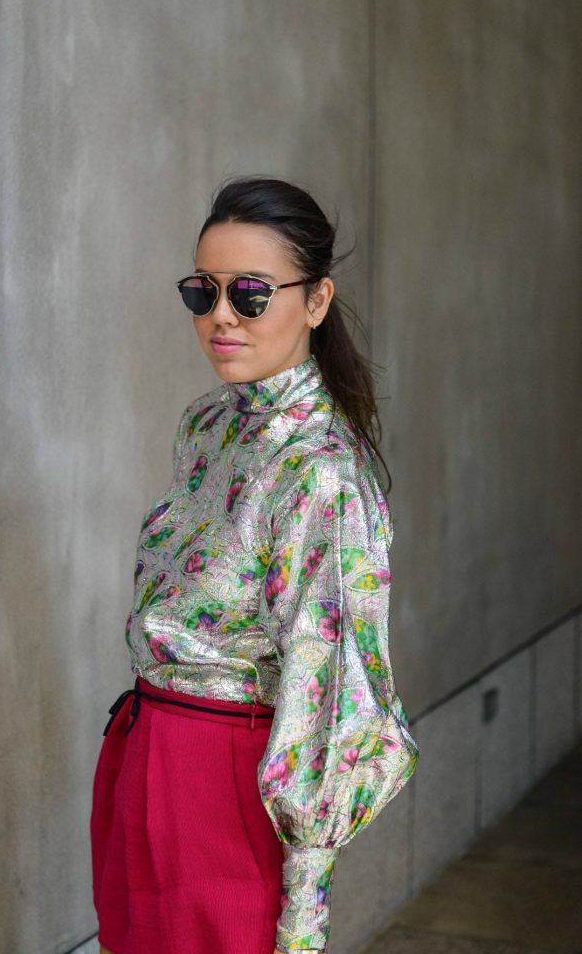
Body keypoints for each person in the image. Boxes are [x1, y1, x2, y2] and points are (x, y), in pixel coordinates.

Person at [90, 176, 420, 954]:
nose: (221, 317)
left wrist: (302, 914)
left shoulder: (322, 474)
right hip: (145, 756)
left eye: (250, 292)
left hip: (228, 786)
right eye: (201, 292)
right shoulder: (207, 423)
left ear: (315, 300)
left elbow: (334, 687)